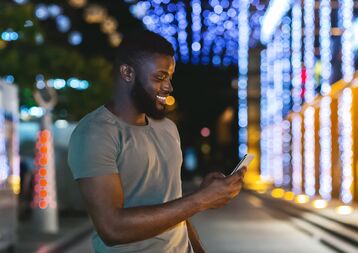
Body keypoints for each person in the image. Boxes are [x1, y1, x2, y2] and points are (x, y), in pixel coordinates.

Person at [67, 31, 246, 253]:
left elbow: (172, 206)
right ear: (127, 72)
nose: (169, 87)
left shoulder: (167, 128)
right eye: (159, 77)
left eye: (170, 77)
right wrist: (200, 200)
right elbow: (112, 228)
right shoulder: (95, 133)